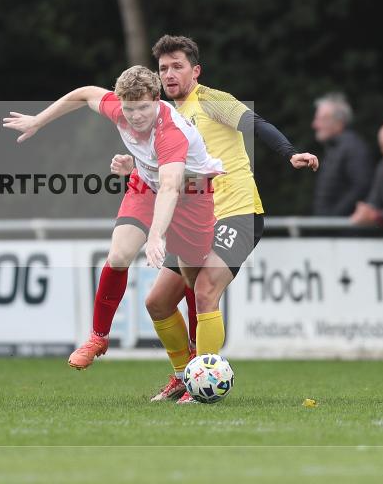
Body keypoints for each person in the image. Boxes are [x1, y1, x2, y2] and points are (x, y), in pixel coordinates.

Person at [112, 35, 319, 403]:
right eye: (163, 68)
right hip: (194, 220)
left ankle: (203, 382)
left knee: (206, 290)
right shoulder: (163, 117)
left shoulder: (210, 100)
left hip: (236, 213)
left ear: (196, 70)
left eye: (178, 66)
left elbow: (256, 124)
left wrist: (289, 152)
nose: (170, 74)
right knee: (157, 302)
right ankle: (183, 376)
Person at [3, 65, 223, 371]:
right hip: (147, 185)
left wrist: (157, 235)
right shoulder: (120, 109)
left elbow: (172, 188)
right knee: (119, 254)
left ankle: (196, 367)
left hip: (192, 196)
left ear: (157, 100)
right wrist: (39, 121)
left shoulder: (170, 132)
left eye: (144, 108)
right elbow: (84, 93)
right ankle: (98, 337)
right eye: (130, 109)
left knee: (192, 281)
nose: (136, 116)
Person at [311, 93, 373, 216]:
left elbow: (361, 186)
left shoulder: (353, 147)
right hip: (334, 228)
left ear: (339, 122)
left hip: (344, 231)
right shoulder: (336, 147)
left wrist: (333, 216)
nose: (314, 125)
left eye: (321, 119)